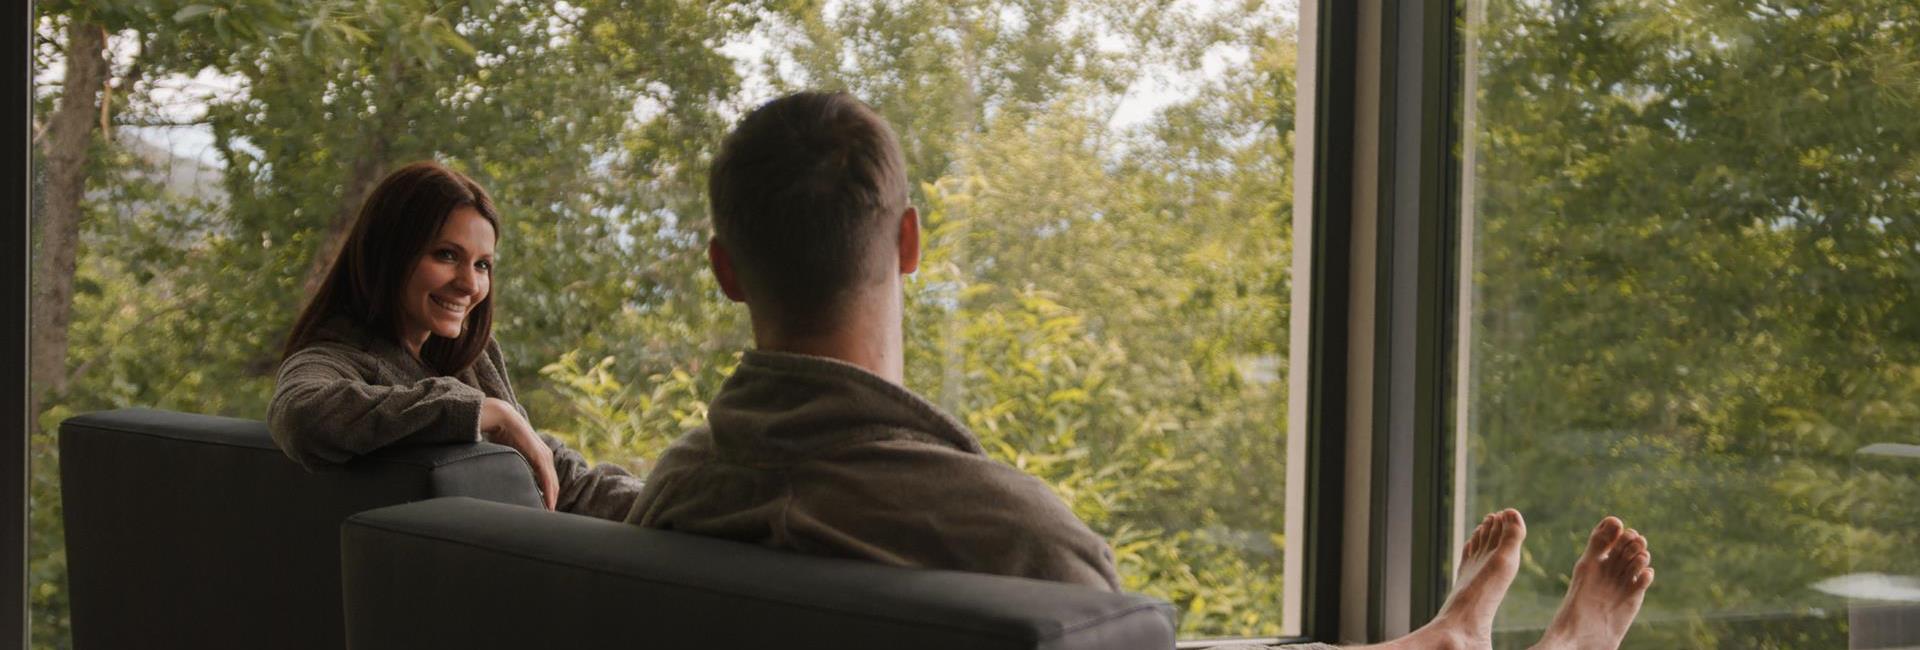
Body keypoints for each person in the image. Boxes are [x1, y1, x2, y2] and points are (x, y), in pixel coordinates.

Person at [630, 91, 1656, 649]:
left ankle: (1447, 637)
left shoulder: (675, 496)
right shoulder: (1015, 537)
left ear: (725, 269)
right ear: (909, 244)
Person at [268, 160, 643, 520]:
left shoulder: (473, 357)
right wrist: (481, 412)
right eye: (446, 255)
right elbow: (302, 416)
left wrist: (669, 503)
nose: (470, 284)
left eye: (482, 265)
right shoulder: (333, 357)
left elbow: (558, 477)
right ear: (389, 253)